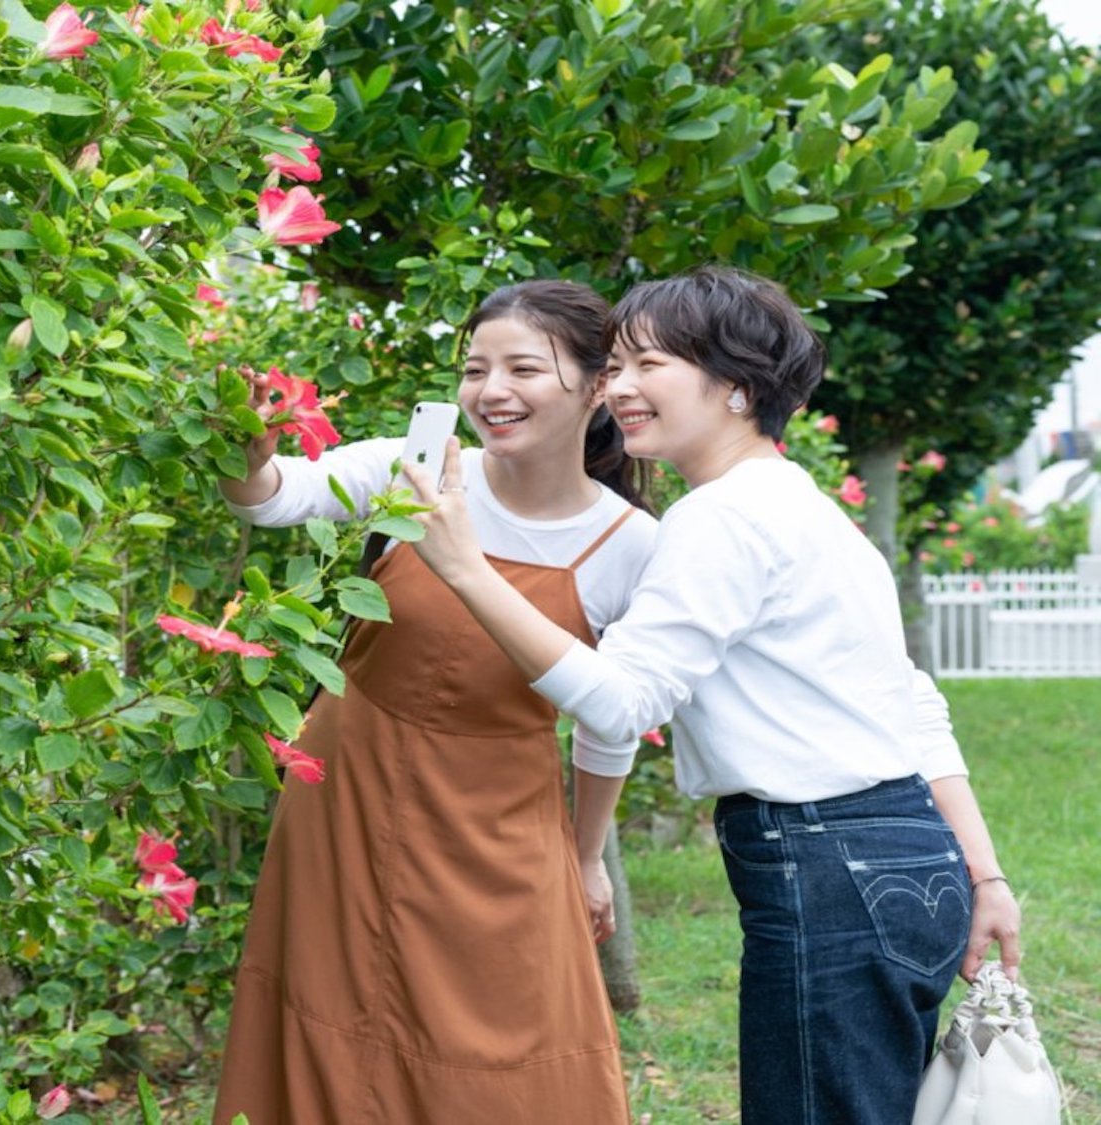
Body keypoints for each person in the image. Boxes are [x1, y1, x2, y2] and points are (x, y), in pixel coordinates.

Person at [402, 265, 1024, 1125]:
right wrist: (982, 873)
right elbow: (914, 706)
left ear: (734, 385)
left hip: (825, 863)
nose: (619, 386)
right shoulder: (804, 511)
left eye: (648, 365)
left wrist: (467, 569)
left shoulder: (721, 517)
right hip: (910, 855)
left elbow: (621, 704)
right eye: (614, 366)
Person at [213, 280, 656, 1124]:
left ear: (598, 386)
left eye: (525, 368)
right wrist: (249, 447)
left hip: (499, 816)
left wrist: (589, 853)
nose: (492, 392)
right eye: (475, 368)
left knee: (505, 1033)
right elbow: (275, 497)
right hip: (348, 788)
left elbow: (609, 722)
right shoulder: (412, 467)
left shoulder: (629, 544)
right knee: (332, 1012)